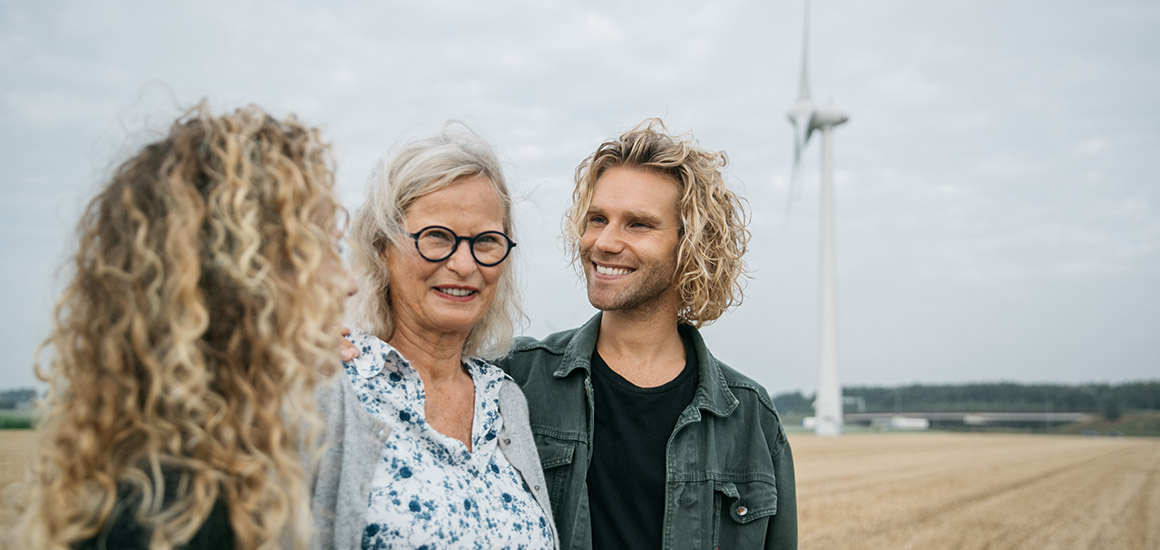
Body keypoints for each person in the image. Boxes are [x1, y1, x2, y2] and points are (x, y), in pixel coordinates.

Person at [11, 105, 355, 550]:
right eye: (320, 250)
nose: (348, 284)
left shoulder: (167, 478)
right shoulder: (176, 517)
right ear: (237, 285)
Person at [497, 120, 798, 549]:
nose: (603, 241)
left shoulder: (751, 421)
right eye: (597, 218)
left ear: (691, 245)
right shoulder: (514, 379)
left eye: (637, 224)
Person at [312, 123, 558, 550]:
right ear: (382, 247)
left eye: (486, 242)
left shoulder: (505, 399)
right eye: (437, 237)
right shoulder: (331, 387)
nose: (464, 265)